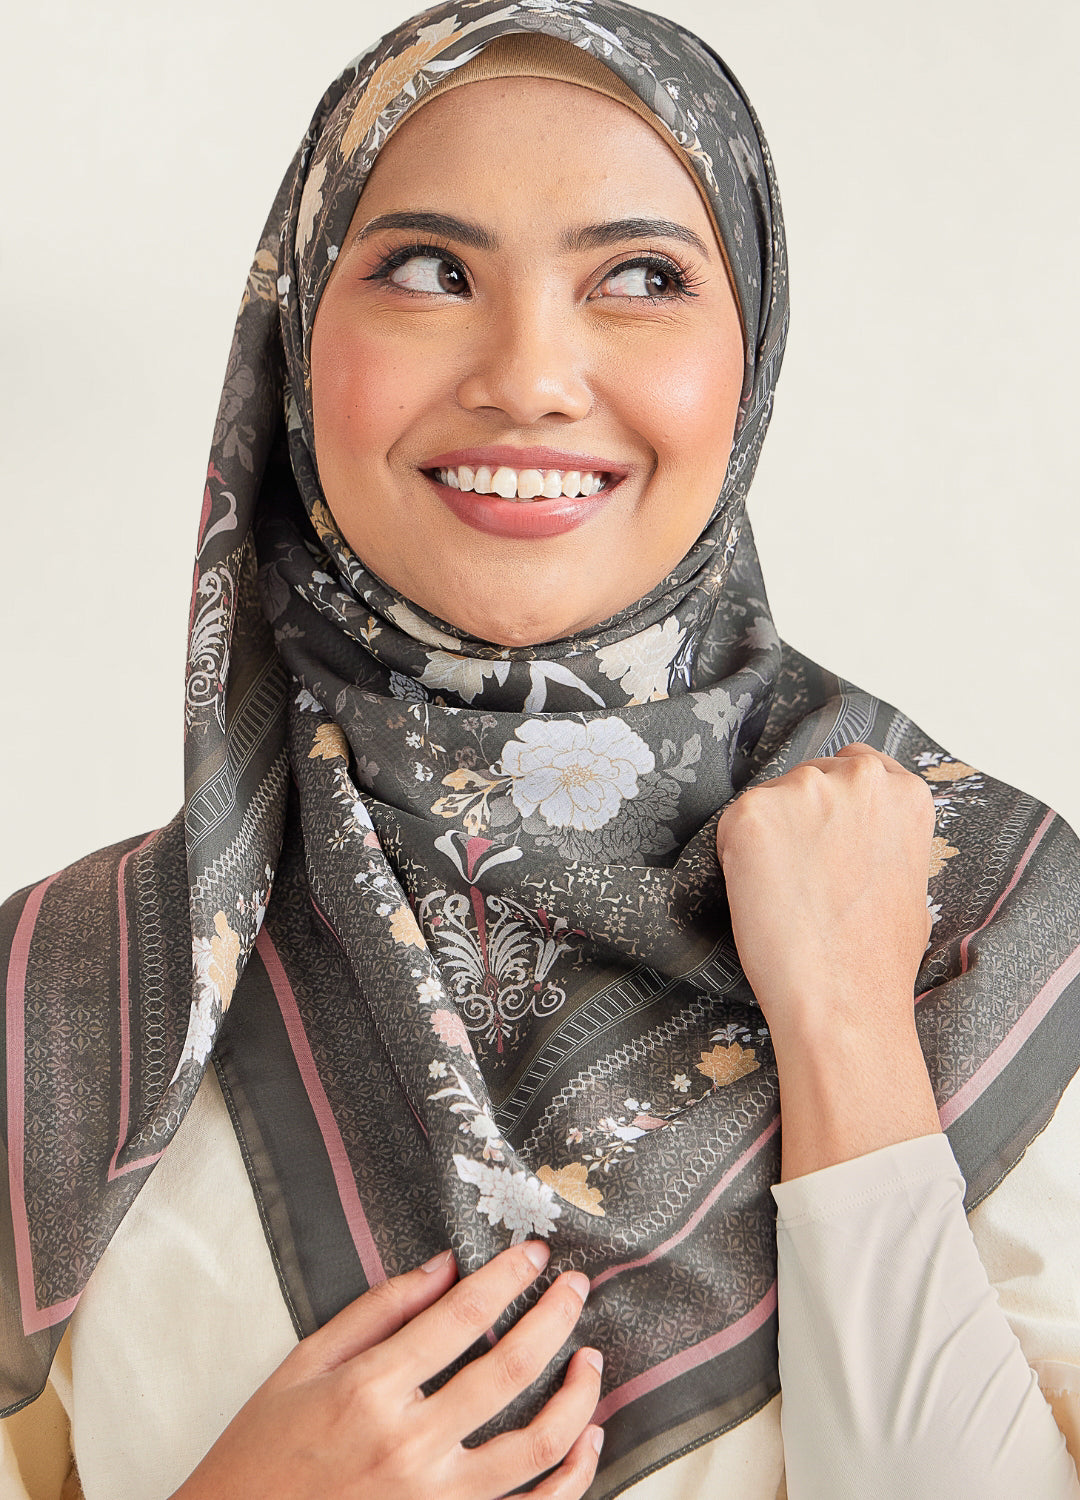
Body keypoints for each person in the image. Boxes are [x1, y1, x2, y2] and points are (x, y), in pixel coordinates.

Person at [2, 3, 1078, 1498]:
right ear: (299, 341)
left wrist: (848, 1028)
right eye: (429, 271)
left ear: (749, 352)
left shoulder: (995, 927)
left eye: (640, 276)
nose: (530, 374)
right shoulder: (72, 1001)